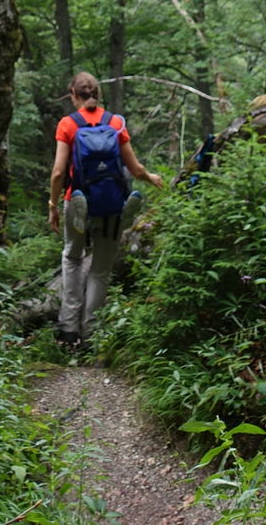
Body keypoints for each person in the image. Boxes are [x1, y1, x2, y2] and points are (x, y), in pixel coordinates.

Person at [48, 71, 165, 345]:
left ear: (73, 94)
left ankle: (69, 330)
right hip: (111, 202)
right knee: (100, 269)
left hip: (76, 199)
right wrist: (150, 177)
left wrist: (53, 204)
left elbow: (58, 172)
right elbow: (134, 168)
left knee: (72, 258)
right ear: (98, 94)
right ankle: (91, 332)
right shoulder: (115, 122)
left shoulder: (68, 124)